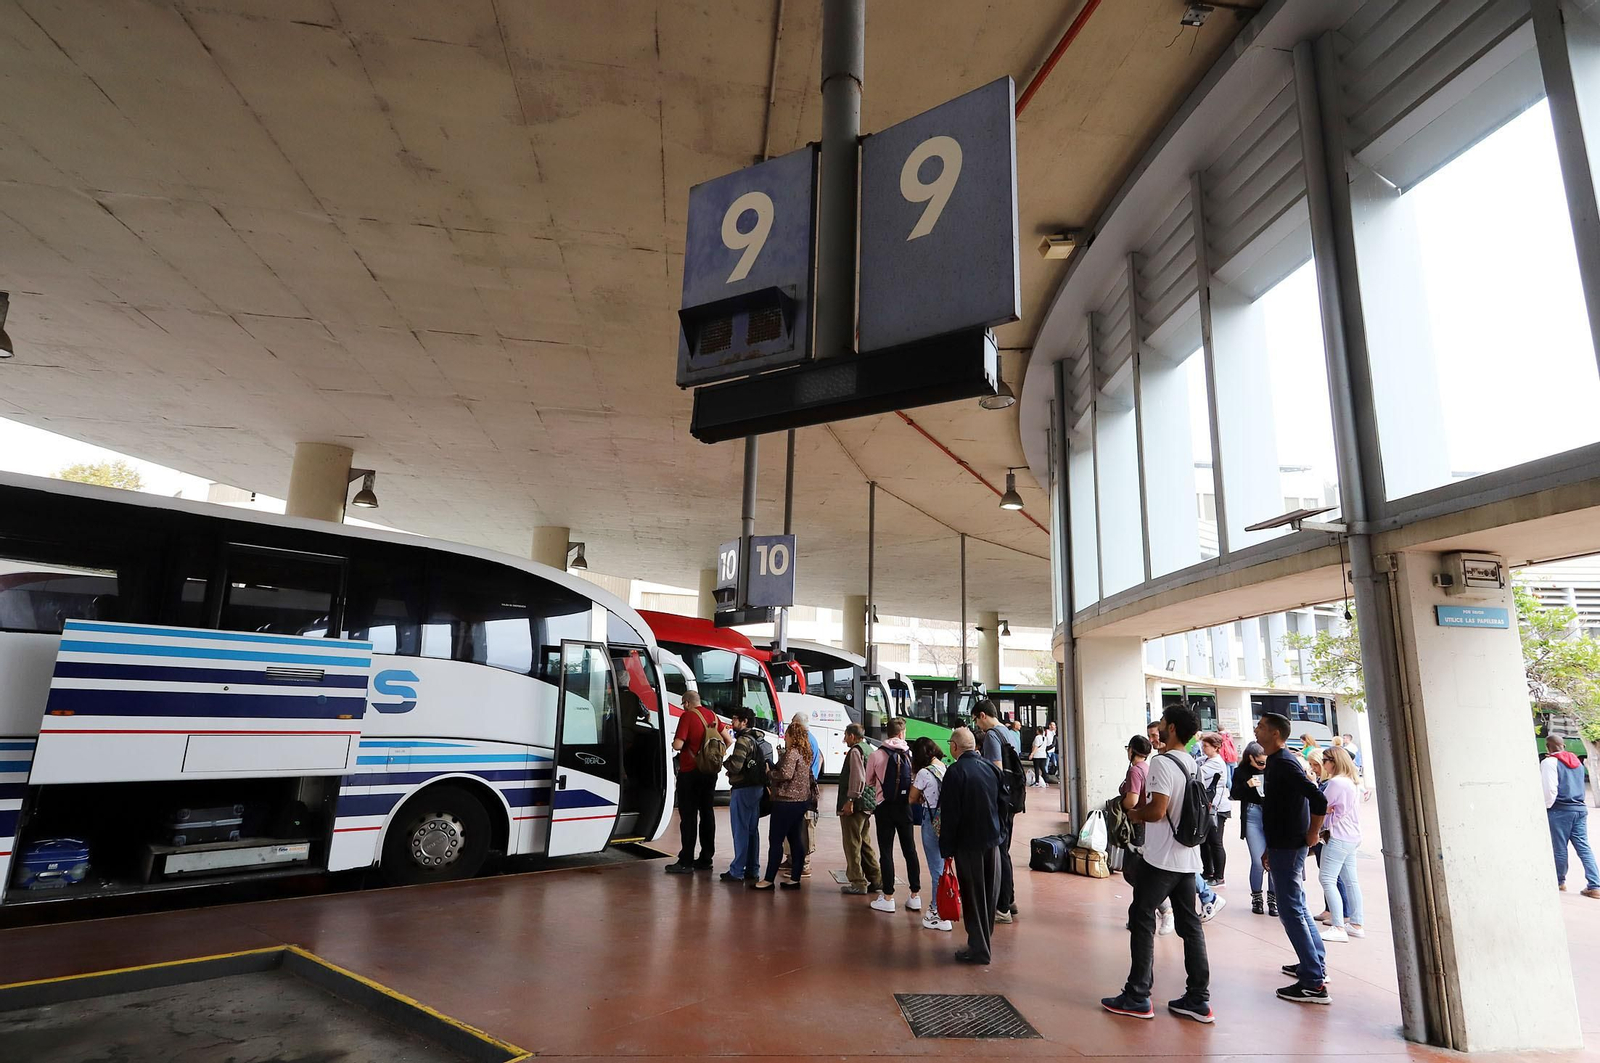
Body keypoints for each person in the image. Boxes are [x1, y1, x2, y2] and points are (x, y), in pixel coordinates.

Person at [1101, 703, 1212, 1024]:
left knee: (1141, 917)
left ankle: (1137, 995)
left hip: (1162, 858)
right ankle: (1198, 998)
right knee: (1190, 926)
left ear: (1173, 728)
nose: (1159, 727)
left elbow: (1157, 810)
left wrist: (1133, 814)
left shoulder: (1162, 763)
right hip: (1187, 858)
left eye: (1163, 722)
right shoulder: (1191, 762)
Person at [1257, 712, 1331, 1004]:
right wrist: (1268, 847)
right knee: (1297, 907)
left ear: (1276, 734)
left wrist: (1313, 833)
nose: (1256, 730)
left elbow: (1318, 799)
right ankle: (1314, 966)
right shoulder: (1277, 762)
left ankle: (1313, 982)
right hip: (1281, 845)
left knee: (1291, 911)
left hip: (1290, 847)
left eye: (1261, 726)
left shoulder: (1286, 763)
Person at [939, 726, 1003, 964]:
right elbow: (1003, 804)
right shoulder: (991, 768)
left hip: (969, 845)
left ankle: (979, 949)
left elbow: (951, 815)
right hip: (993, 841)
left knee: (973, 896)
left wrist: (947, 848)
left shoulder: (955, 772)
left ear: (954, 747)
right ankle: (983, 942)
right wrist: (1001, 834)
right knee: (989, 894)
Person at [665, 691, 728, 874]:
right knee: (707, 813)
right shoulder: (713, 716)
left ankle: (686, 861)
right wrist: (711, 757)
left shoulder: (688, 716)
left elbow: (677, 745)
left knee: (689, 817)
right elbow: (728, 740)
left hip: (690, 772)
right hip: (709, 773)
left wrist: (679, 745)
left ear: (686, 703)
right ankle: (706, 858)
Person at [865, 716, 922, 914]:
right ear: (901, 733)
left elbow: (869, 781)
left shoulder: (876, 754)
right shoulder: (908, 752)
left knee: (886, 852)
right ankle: (915, 896)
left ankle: (888, 897)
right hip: (905, 807)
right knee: (910, 850)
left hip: (884, 808)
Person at [974, 701, 1019, 923]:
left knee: (999, 852)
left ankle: (1002, 907)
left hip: (999, 801)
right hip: (1012, 801)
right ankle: (1009, 899)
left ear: (983, 715)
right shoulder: (1009, 733)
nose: (977, 725)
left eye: (976, 719)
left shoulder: (992, 736)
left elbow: (996, 771)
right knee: (1005, 850)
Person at [755, 722, 814, 891]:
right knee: (796, 839)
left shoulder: (792, 753)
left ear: (792, 736)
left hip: (786, 802)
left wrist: (769, 773)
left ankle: (768, 879)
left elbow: (785, 774)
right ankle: (795, 878)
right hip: (801, 801)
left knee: (776, 840)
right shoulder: (805, 753)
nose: (785, 737)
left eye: (787, 735)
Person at [1317, 745, 1365, 940]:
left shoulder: (1336, 783)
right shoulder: (1351, 782)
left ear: (1333, 762)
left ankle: (1338, 926)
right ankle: (1356, 923)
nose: (1323, 764)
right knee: (1350, 880)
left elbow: (1321, 805)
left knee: (1327, 879)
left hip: (1338, 836)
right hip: (1352, 836)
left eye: (1325, 760)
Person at [1543, 735, 1600, 898]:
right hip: (1580, 809)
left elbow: (1550, 791)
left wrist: (1547, 807)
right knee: (1584, 848)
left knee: (1559, 848)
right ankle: (1595, 885)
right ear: (1564, 745)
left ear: (1548, 747)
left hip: (1560, 810)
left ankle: (1559, 882)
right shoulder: (1577, 762)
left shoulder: (1549, 763)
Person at [909, 736, 954, 932]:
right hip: (947, 820)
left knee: (936, 869)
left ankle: (938, 912)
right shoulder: (945, 768)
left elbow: (911, 798)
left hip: (931, 819)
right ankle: (948, 903)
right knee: (945, 865)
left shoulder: (924, 773)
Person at [720, 707, 769, 884]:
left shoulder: (743, 740)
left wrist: (725, 763)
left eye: (734, 720)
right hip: (757, 788)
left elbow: (736, 766)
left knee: (740, 830)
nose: (732, 723)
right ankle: (752, 869)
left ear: (744, 722)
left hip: (743, 789)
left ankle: (737, 871)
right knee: (751, 830)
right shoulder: (757, 738)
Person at [836, 723, 882, 896]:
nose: (844, 739)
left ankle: (857, 882)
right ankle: (876, 878)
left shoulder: (855, 751)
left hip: (855, 805)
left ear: (852, 736)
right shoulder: (869, 750)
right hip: (868, 804)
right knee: (864, 842)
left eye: (846, 736)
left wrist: (850, 799)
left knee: (852, 843)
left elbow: (858, 777)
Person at [1230, 741, 1274, 917]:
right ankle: (1257, 897)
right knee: (1257, 861)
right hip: (1253, 815)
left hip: (1271, 815)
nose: (1263, 766)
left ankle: (1273, 899)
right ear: (1251, 758)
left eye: (1265, 762)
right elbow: (1234, 794)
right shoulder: (1241, 772)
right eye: (1260, 762)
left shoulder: (1273, 769)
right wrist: (1247, 785)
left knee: (1273, 860)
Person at [780, 710, 824, 878]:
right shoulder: (806, 739)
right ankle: (791, 858)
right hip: (802, 789)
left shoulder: (807, 741)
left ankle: (804, 863)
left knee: (805, 827)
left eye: (793, 722)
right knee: (795, 826)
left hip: (804, 790)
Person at [1199, 734, 1230, 888]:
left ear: (1216, 747)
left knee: (1215, 841)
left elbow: (1198, 773)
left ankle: (1219, 875)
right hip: (1208, 806)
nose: (1203, 749)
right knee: (1205, 841)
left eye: (1206, 746)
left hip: (1217, 808)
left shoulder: (1216, 763)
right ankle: (1208, 871)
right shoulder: (1206, 760)